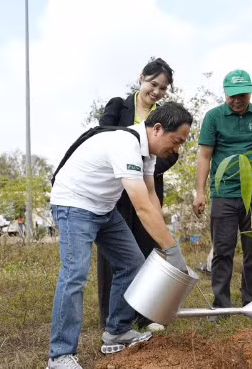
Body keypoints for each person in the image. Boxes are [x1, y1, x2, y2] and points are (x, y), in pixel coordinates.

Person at [47, 102, 192, 369]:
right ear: (158, 129)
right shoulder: (125, 144)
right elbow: (140, 204)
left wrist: (168, 241)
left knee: (132, 264)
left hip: (103, 207)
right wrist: (171, 250)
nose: (177, 148)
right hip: (74, 204)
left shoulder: (147, 153)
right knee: (74, 275)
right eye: (176, 140)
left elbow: (151, 196)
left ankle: (117, 330)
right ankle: (60, 355)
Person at [96, 57, 177, 330]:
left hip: (148, 186)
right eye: (153, 84)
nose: (156, 91)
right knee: (114, 255)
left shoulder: (163, 117)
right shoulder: (118, 106)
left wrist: (146, 168)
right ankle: (111, 316)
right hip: (116, 192)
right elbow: (103, 138)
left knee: (146, 249)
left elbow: (172, 153)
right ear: (142, 77)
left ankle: (144, 313)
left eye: (162, 88)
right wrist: (130, 165)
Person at [193, 69, 252, 312]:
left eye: (242, 94)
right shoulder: (213, 117)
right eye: (232, 95)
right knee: (222, 250)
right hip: (224, 193)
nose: (237, 100)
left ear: (250, 92)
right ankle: (221, 304)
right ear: (225, 93)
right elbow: (204, 155)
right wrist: (200, 192)